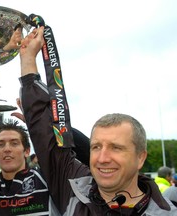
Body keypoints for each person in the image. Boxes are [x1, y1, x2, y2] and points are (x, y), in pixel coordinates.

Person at [17, 25, 177, 214]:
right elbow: (44, 135)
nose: (102, 158)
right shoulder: (74, 188)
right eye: (96, 147)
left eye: (116, 147)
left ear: (140, 157)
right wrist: (27, 58)